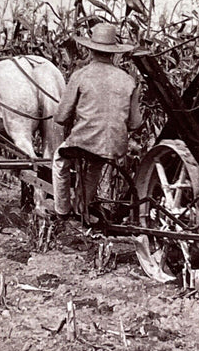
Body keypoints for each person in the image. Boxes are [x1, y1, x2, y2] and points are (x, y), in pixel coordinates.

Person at [52, 23, 142, 221]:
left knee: (59, 161)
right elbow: (135, 123)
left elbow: (60, 117)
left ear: (90, 49)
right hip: (113, 145)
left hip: (84, 141)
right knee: (94, 167)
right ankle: (82, 208)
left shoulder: (80, 75)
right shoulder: (128, 80)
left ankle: (62, 211)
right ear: (113, 53)